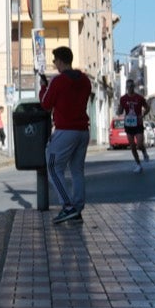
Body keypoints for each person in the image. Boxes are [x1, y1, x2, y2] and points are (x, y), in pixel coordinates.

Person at [40, 46, 92, 225]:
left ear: (61, 61)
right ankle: (77, 208)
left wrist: (43, 88)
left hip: (65, 131)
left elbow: (46, 104)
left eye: (54, 61)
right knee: (77, 170)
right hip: (83, 131)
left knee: (54, 167)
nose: (54, 64)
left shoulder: (58, 81)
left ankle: (67, 207)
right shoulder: (85, 80)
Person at [118, 82, 151, 173]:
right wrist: (119, 111)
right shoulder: (123, 99)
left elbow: (147, 107)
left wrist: (143, 115)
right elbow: (120, 110)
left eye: (131, 86)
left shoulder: (139, 98)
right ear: (126, 87)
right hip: (129, 124)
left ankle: (144, 152)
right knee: (132, 146)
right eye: (128, 86)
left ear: (134, 87)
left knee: (139, 144)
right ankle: (138, 165)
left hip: (138, 124)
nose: (130, 88)